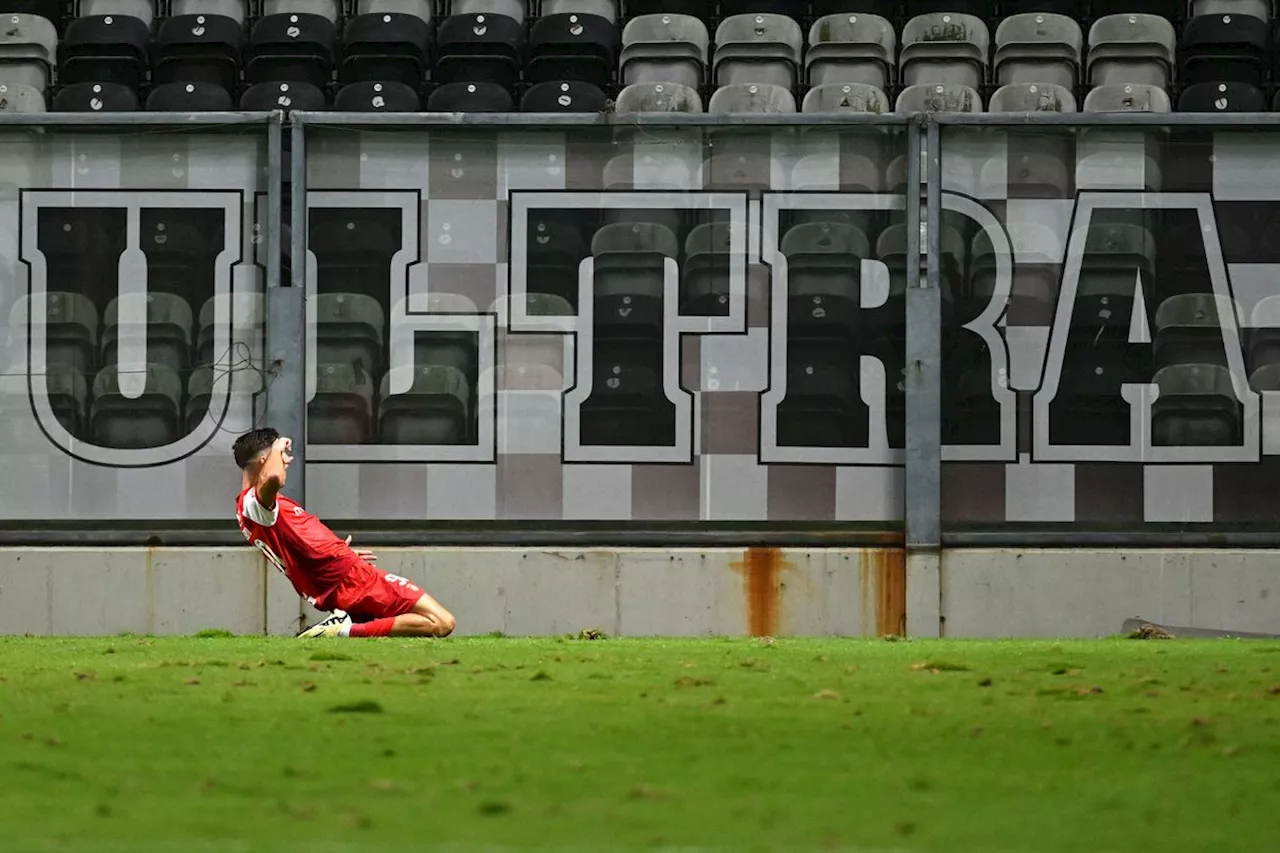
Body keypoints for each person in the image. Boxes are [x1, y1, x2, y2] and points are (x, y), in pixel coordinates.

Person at [232, 427, 456, 639]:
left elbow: (293, 548)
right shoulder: (254, 503)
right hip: (351, 578)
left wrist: (337, 552)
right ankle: (342, 630)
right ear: (264, 460)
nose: (288, 460)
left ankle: (345, 625)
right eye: (282, 456)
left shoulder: (251, 510)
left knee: (399, 625)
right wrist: (278, 446)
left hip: (341, 576)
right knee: (442, 622)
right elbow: (273, 478)